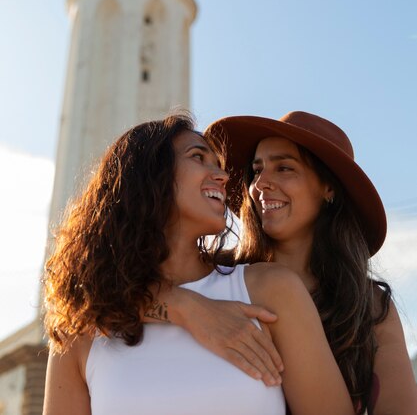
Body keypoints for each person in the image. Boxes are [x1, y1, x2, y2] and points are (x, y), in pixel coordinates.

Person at [42, 113, 355, 415]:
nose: (223, 176)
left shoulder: (271, 290)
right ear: (148, 175)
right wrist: (188, 309)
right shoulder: (80, 326)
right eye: (198, 157)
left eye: (218, 164)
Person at [148, 112, 417, 415]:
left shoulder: (369, 306)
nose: (261, 183)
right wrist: (184, 307)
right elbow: (106, 297)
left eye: (284, 168)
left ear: (328, 188)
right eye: (257, 169)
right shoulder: (219, 277)